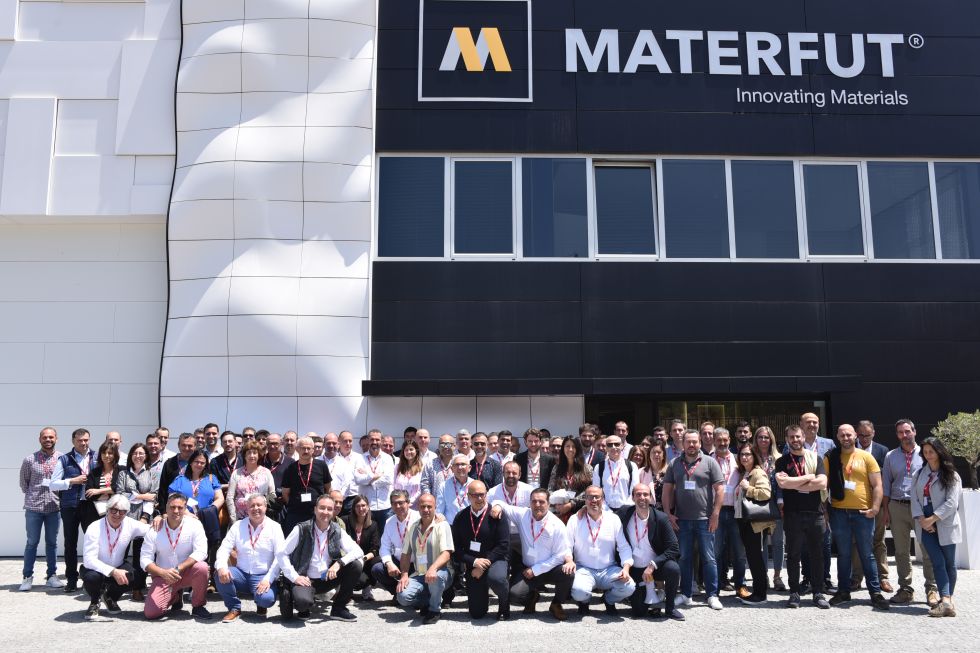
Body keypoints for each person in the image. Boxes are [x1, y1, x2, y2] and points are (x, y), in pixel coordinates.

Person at [825, 424, 888, 610]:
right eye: (842, 435)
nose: (846, 438)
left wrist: (875, 508)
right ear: (838, 437)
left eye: (849, 435)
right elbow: (824, 485)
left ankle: (875, 593)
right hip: (839, 512)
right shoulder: (831, 457)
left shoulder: (866, 457)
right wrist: (825, 510)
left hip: (863, 513)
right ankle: (843, 591)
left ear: (855, 436)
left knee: (867, 554)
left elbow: (878, 485)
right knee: (843, 554)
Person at [662, 429, 725, 610]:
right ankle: (686, 594)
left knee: (709, 558)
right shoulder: (674, 463)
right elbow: (667, 489)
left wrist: (715, 514)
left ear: (700, 443)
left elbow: (720, 490)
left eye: (694, 442)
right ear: (683, 443)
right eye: (688, 442)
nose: (691, 445)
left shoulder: (710, 462)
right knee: (684, 558)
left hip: (705, 519)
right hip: (682, 520)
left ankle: (712, 595)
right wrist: (667, 513)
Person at [490, 488, 573, 621]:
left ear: (549, 504)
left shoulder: (557, 525)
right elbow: (499, 502)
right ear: (529, 503)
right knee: (513, 595)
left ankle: (556, 603)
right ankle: (532, 597)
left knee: (568, 573)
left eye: (541, 502)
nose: (537, 505)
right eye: (534, 501)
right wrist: (497, 507)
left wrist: (536, 570)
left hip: (550, 569)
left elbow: (560, 556)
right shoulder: (523, 514)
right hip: (527, 569)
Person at [881, 419, 939, 607]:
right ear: (897, 435)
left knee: (927, 548)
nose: (904, 435)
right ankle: (905, 589)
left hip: (921, 508)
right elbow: (886, 485)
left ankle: (931, 589)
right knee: (901, 551)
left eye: (907, 431)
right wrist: (886, 510)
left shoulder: (926, 454)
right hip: (897, 506)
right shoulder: (890, 456)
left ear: (914, 431)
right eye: (900, 432)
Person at [279, 493, 364, 621]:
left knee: (355, 565)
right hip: (305, 579)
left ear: (333, 511)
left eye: (329, 509)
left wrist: (339, 563)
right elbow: (281, 553)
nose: (325, 512)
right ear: (315, 509)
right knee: (303, 603)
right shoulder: (301, 529)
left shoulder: (337, 530)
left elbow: (358, 551)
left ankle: (338, 609)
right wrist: (294, 577)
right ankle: (298, 598)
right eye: (322, 508)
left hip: (327, 578)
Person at [774, 424, 830, 609]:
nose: (795, 440)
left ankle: (818, 592)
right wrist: (808, 478)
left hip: (815, 513)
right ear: (787, 439)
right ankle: (794, 592)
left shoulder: (816, 458)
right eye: (791, 437)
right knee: (793, 555)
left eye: (798, 436)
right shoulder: (781, 462)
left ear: (803, 437)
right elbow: (782, 483)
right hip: (793, 514)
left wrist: (793, 482)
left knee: (817, 554)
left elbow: (822, 483)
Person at [912, 437, 963, 618]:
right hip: (924, 523)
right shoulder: (919, 474)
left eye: (931, 451)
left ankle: (946, 600)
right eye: (925, 452)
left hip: (944, 521)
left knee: (949, 563)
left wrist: (933, 518)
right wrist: (922, 519)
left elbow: (952, 503)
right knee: (937, 561)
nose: (928, 455)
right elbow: (914, 498)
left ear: (939, 452)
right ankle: (946, 601)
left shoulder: (952, 475)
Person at [215, 494, 285, 622]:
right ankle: (234, 608)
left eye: (259, 505)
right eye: (252, 506)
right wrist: (221, 567)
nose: (256, 508)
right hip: (241, 574)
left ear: (265, 507)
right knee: (219, 574)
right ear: (247, 509)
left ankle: (260, 603)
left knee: (266, 599)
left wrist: (268, 579)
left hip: (263, 576)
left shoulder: (275, 527)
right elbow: (224, 548)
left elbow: (280, 557)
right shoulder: (238, 526)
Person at [140, 493, 211, 620]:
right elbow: (145, 559)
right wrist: (162, 572)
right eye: (172, 507)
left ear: (185, 509)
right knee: (151, 613)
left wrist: (179, 568)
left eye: (180, 508)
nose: (176, 511)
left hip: (186, 571)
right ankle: (176, 596)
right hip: (164, 575)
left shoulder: (194, 524)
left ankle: (198, 605)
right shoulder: (155, 528)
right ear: (166, 508)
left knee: (202, 568)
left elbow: (201, 551)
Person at [80, 495, 152, 619]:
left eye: (122, 511)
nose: (117, 514)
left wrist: (160, 520)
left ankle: (110, 597)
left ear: (126, 513)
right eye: (114, 510)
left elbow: (150, 529)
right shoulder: (94, 527)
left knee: (136, 577)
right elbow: (89, 560)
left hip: (118, 565)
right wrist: (113, 571)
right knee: (91, 578)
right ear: (107, 509)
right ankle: (95, 601)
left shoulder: (129, 523)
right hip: (96, 569)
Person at [567, 486, 635, 614]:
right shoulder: (575, 520)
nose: (594, 500)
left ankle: (609, 600)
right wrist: (569, 560)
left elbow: (624, 547)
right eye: (590, 497)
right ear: (585, 500)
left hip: (608, 569)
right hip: (584, 569)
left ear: (603, 499)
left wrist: (626, 568)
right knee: (579, 592)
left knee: (629, 587)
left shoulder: (613, 519)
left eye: (597, 497)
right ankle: (584, 601)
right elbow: (567, 545)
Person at [450, 480, 511, 620]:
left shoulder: (497, 515)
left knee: (497, 579)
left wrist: (483, 565)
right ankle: (483, 596)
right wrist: (474, 561)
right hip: (474, 563)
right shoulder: (461, 517)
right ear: (468, 496)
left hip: (496, 559)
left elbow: (503, 545)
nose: (479, 498)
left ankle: (504, 605)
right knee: (477, 613)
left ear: (486, 495)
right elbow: (456, 549)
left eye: (482, 495)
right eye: (475, 495)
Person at [622, 484, 684, 620]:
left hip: (655, 567)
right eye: (638, 494)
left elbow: (674, 547)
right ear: (632, 498)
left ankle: (670, 608)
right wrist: (584, 509)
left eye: (645, 494)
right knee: (638, 612)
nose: (642, 497)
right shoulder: (625, 514)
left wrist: (653, 565)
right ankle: (649, 597)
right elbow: (603, 515)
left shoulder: (661, 518)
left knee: (673, 569)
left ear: (651, 497)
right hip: (635, 569)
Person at [397, 493, 455, 624]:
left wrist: (433, 568)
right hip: (420, 574)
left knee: (436, 577)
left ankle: (434, 610)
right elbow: (405, 554)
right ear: (418, 507)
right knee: (402, 597)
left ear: (435, 507)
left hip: (441, 572)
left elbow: (446, 553)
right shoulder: (413, 527)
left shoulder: (442, 525)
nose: (426, 510)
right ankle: (428, 602)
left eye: (429, 506)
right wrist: (404, 574)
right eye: (423, 506)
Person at [49, 428, 96, 591]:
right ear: (73, 441)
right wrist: (72, 481)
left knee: (93, 543)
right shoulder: (64, 459)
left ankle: (91, 578)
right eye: (79, 440)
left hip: (91, 505)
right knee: (70, 544)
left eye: (86, 440)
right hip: (70, 506)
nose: (83, 443)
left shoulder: (97, 457)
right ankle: (71, 579)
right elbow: (53, 484)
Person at [19, 427, 64, 591]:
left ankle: (51, 576)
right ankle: (27, 577)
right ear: (40, 439)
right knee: (32, 543)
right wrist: (34, 495)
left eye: (51, 437)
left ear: (56, 439)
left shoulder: (62, 459)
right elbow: (24, 483)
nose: (48, 440)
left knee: (52, 543)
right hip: (34, 508)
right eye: (45, 437)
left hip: (54, 507)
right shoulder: (29, 460)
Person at [852, 419, 892, 593]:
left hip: (877, 503)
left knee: (879, 541)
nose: (864, 438)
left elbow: (886, 480)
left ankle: (883, 578)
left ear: (873, 433)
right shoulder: (850, 449)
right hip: (856, 503)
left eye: (867, 435)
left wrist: (885, 507)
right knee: (856, 542)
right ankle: (856, 578)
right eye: (860, 435)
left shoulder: (882, 451)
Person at [733, 443, 774, 605]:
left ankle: (760, 594)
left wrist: (748, 488)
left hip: (755, 523)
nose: (744, 457)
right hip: (745, 521)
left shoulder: (757, 472)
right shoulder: (745, 472)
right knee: (752, 556)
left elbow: (765, 493)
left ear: (754, 456)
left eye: (747, 454)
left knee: (755, 557)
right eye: (742, 454)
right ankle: (758, 592)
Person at [712, 427, 749, 599]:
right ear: (714, 441)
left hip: (736, 511)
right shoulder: (707, 461)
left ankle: (740, 585)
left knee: (739, 551)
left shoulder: (737, 460)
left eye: (725, 440)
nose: (722, 443)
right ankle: (716, 586)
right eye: (719, 440)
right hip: (716, 512)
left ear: (729, 440)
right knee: (716, 552)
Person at [119, 442, 158, 601]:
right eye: (135, 453)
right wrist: (142, 496)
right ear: (131, 455)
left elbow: (154, 496)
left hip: (144, 517)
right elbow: (120, 493)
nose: (138, 456)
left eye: (141, 453)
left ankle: (137, 587)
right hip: (124, 517)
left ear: (146, 456)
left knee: (140, 554)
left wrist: (145, 517)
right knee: (120, 552)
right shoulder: (123, 473)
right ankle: (118, 585)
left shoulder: (152, 474)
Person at [752, 425, 785, 591]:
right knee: (761, 543)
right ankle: (763, 575)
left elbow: (782, 483)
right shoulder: (751, 457)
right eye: (760, 437)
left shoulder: (779, 458)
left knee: (778, 541)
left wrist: (781, 501)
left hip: (776, 504)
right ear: (756, 439)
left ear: (771, 439)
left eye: (766, 437)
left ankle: (777, 576)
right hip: (757, 504)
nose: (763, 440)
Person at [281, 436, 332, 535]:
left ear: (313, 450)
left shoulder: (321, 466)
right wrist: (294, 504)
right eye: (303, 448)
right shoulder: (290, 468)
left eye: (309, 448)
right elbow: (285, 493)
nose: (306, 451)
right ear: (297, 449)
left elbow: (328, 488)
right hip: (295, 514)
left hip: (317, 514)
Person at [373, 490, 418, 597]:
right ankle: (398, 594)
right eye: (394, 503)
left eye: (400, 503)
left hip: (416, 564)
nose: (397, 506)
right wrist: (389, 564)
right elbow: (384, 547)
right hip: (398, 564)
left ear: (408, 502)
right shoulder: (389, 522)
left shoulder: (418, 517)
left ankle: (410, 594)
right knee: (377, 569)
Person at [227, 440, 276, 523]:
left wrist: (263, 505)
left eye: (254, 453)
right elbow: (230, 497)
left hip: (261, 517)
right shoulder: (236, 473)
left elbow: (272, 494)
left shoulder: (266, 472)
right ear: (244, 455)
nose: (252, 455)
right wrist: (233, 519)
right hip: (240, 518)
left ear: (259, 455)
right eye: (249, 453)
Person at [343, 494, 381, 601]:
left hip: (365, 560)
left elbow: (375, 548)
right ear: (354, 508)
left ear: (368, 507)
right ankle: (345, 590)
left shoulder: (373, 525)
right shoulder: (345, 521)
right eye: (358, 506)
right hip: (348, 560)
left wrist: (363, 559)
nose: (361, 508)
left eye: (363, 505)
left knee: (377, 561)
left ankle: (367, 587)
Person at [353, 431, 394, 525]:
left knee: (385, 534)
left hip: (385, 507)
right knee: (368, 533)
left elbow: (389, 480)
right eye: (372, 439)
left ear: (381, 441)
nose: (374, 442)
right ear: (368, 440)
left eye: (377, 439)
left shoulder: (387, 458)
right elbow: (358, 480)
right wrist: (375, 476)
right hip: (367, 507)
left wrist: (367, 476)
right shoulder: (360, 459)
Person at [82, 442, 124, 532]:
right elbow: (88, 494)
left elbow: (120, 488)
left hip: (117, 512)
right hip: (97, 513)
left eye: (110, 453)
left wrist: (98, 491)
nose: (106, 455)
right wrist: (111, 493)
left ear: (115, 455)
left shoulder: (122, 470)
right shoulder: (94, 472)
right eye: (104, 453)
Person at [548, 436, 592, 522]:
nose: (570, 449)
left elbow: (589, 490)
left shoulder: (587, 468)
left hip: (579, 512)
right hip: (559, 511)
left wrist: (571, 504)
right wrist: (556, 504)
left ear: (578, 449)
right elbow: (550, 488)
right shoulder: (557, 468)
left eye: (573, 446)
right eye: (567, 446)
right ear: (563, 448)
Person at [592, 433, 639, 512]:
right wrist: (607, 510)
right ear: (606, 448)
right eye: (610, 445)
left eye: (617, 444)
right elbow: (596, 491)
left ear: (622, 446)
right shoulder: (599, 467)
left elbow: (634, 490)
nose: (613, 447)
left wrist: (624, 509)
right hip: (605, 511)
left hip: (627, 511)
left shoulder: (631, 466)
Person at [156, 432, 197, 509]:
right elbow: (163, 489)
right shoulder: (169, 463)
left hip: (194, 506)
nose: (186, 448)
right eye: (183, 445)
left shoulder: (200, 463)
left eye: (190, 446)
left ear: (195, 446)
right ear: (178, 445)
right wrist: (163, 511)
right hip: (173, 507)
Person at [322, 432, 356, 515]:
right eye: (328, 443)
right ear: (324, 444)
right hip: (321, 503)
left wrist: (337, 499)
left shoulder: (344, 463)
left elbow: (347, 484)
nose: (331, 445)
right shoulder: (316, 461)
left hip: (339, 505)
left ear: (338, 445)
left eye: (334, 443)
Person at [437, 454, 474, 523]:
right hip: (450, 526)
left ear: (469, 468)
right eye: (457, 464)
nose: (460, 467)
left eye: (463, 464)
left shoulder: (475, 485)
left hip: (471, 525)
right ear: (452, 469)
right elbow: (439, 512)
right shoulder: (444, 486)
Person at [421, 433, 456, 499]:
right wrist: (430, 500)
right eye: (442, 444)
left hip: (455, 503)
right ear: (438, 446)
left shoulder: (459, 463)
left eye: (448, 444)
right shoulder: (430, 464)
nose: (445, 447)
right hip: (436, 503)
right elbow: (425, 484)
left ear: (454, 446)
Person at [393, 440, 425, 508]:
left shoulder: (422, 468)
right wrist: (400, 501)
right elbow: (393, 485)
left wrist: (409, 501)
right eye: (406, 450)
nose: (408, 452)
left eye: (411, 449)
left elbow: (421, 489)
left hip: (415, 506)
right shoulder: (397, 467)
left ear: (416, 451)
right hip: (399, 506)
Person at [640, 441, 669, 510]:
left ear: (663, 455)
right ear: (649, 455)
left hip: (667, 511)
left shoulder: (670, 472)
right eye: (653, 452)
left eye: (659, 452)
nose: (656, 454)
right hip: (648, 511)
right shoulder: (641, 472)